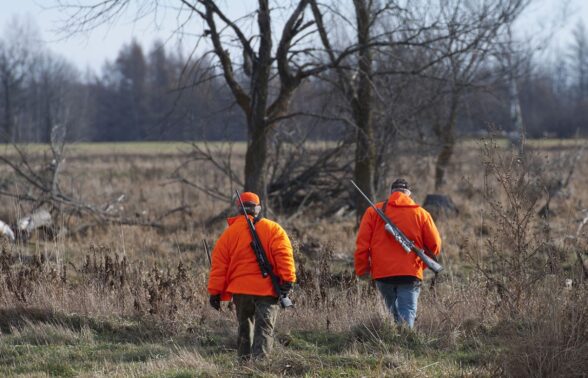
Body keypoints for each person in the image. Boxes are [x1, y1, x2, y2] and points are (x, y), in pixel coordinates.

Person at [208, 192, 296, 359]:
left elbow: (219, 266)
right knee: (264, 329)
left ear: (239, 209)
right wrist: (287, 280)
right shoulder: (273, 229)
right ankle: (260, 367)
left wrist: (215, 292)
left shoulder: (228, 234)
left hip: (240, 291)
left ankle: (244, 366)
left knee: (244, 328)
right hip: (267, 289)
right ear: (258, 209)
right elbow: (283, 255)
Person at [354, 179, 441, 328]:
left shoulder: (373, 212)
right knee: (407, 310)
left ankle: (395, 337)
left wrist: (362, 269)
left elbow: (362, 245)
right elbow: (435, 245)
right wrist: (420, 263)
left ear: (391, 192)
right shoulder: (421, 213)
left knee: (392, 310)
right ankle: (405, 341)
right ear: (409, 194)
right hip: (410, 272)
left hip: (383, 273)